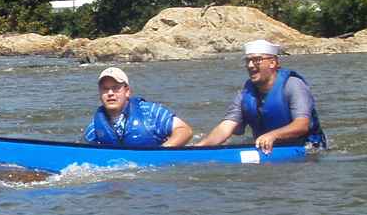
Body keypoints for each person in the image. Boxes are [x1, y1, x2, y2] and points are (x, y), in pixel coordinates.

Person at [196, 39, 327, 154]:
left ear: (273, 63)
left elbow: (301, 125)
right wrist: (199, 147)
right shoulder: (245, 93)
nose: (250, 65)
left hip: (306, 149)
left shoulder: (293, 85)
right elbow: (226, 127)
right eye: (247, 61)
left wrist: (273, 135)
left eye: (257, 60)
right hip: (267, 147)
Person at [83, 67, 193, 147]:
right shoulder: (94, 128)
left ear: (127, 92)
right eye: (105, 89)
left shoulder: (150, 112)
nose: (110, 93)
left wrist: (161, 152)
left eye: (116, 88)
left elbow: (185, 131)